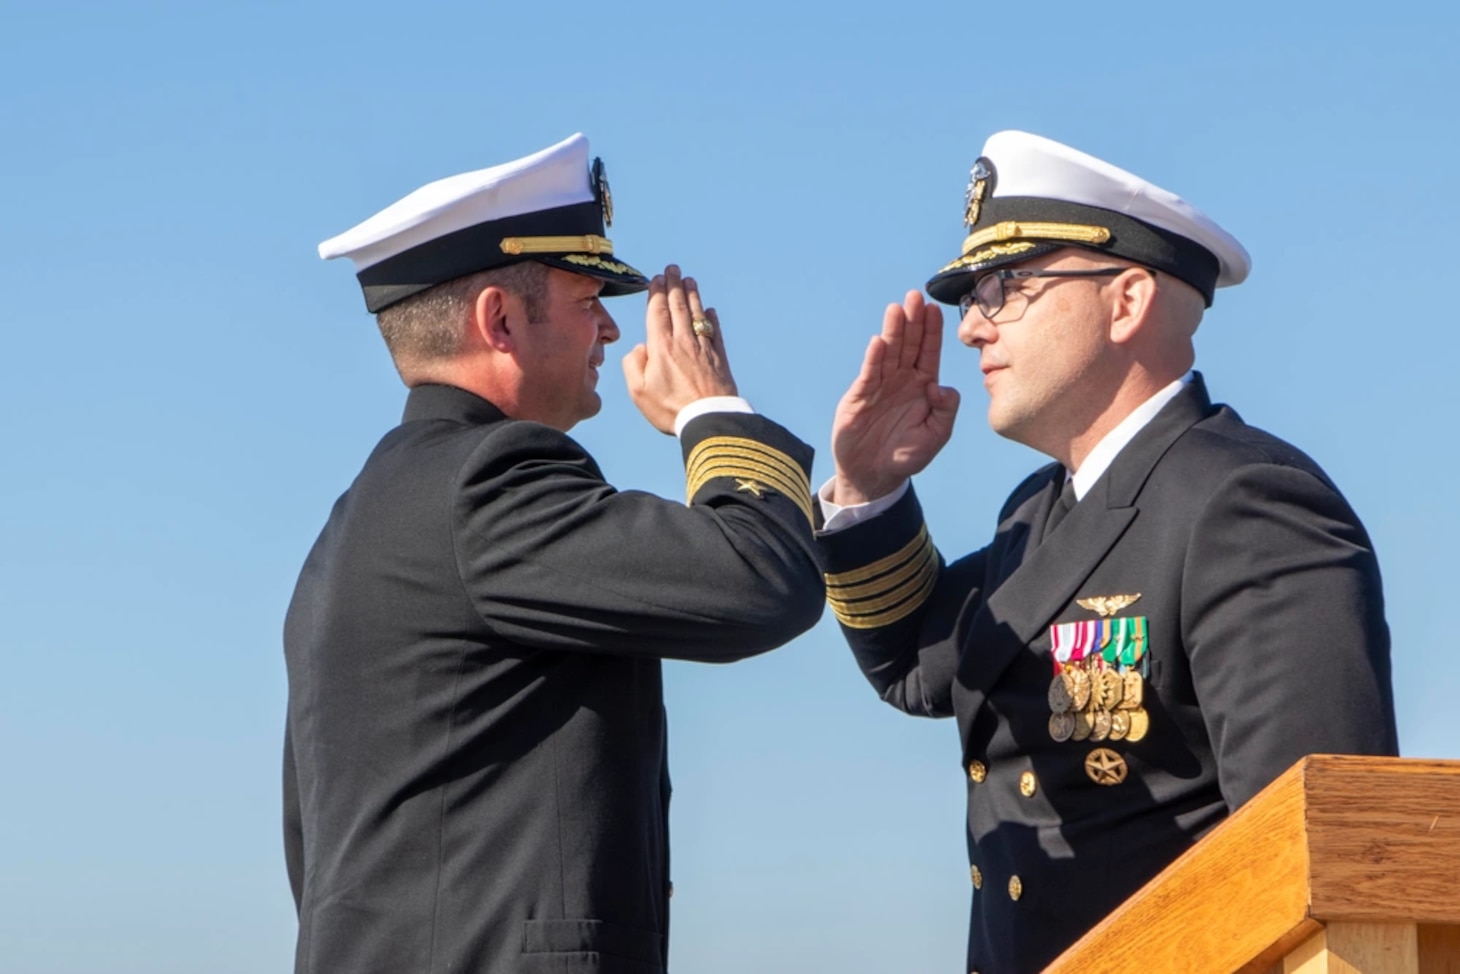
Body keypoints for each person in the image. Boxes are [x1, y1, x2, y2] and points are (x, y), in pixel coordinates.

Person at [816, 131, 1397, 974]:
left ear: (1125, 303)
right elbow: (918, 664)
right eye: (973, 296)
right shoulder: (1037, 513)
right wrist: (866, 488)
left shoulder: (1245, 501)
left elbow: (1317, 854)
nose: (973, 327)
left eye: (1006, 287)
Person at [283, 133, 824, 974]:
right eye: (586, 298)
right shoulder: (488, 483)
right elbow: (763, 580)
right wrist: (714, 409)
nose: (610, 326)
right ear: (499, 319)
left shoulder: (358, 521)